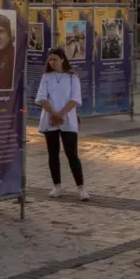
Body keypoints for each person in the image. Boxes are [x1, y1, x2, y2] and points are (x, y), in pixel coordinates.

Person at [35, 46, 88, 201]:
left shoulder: (72, 77)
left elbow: (75, 99)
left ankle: (81, 188)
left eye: (55, 59)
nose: (52, 62)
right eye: (50, 60)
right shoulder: (46, 77)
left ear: (62, 59)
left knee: (72, 154)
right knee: (53, 153)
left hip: (68, 120)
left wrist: (61, 114)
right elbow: (42, 98)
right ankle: (57, 186)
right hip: (50, 119)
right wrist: (53, 114)